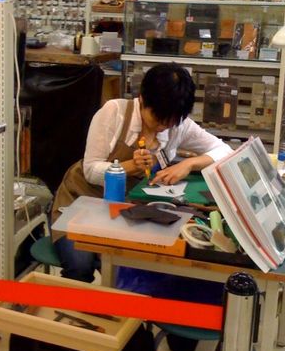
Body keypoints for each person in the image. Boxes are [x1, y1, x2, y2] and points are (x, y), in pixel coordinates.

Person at [51, 62, 232, 282]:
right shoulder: (114, 112)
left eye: (170, 121)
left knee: (137, 268)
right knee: (80, 265)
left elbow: (225, 151)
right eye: (158, 119)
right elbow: (90, 171)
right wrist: (129, 166)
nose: (163, 127)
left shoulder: (179, 125)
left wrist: (189, 164)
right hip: (82, 202)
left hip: (128, 210)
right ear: (142, 99)